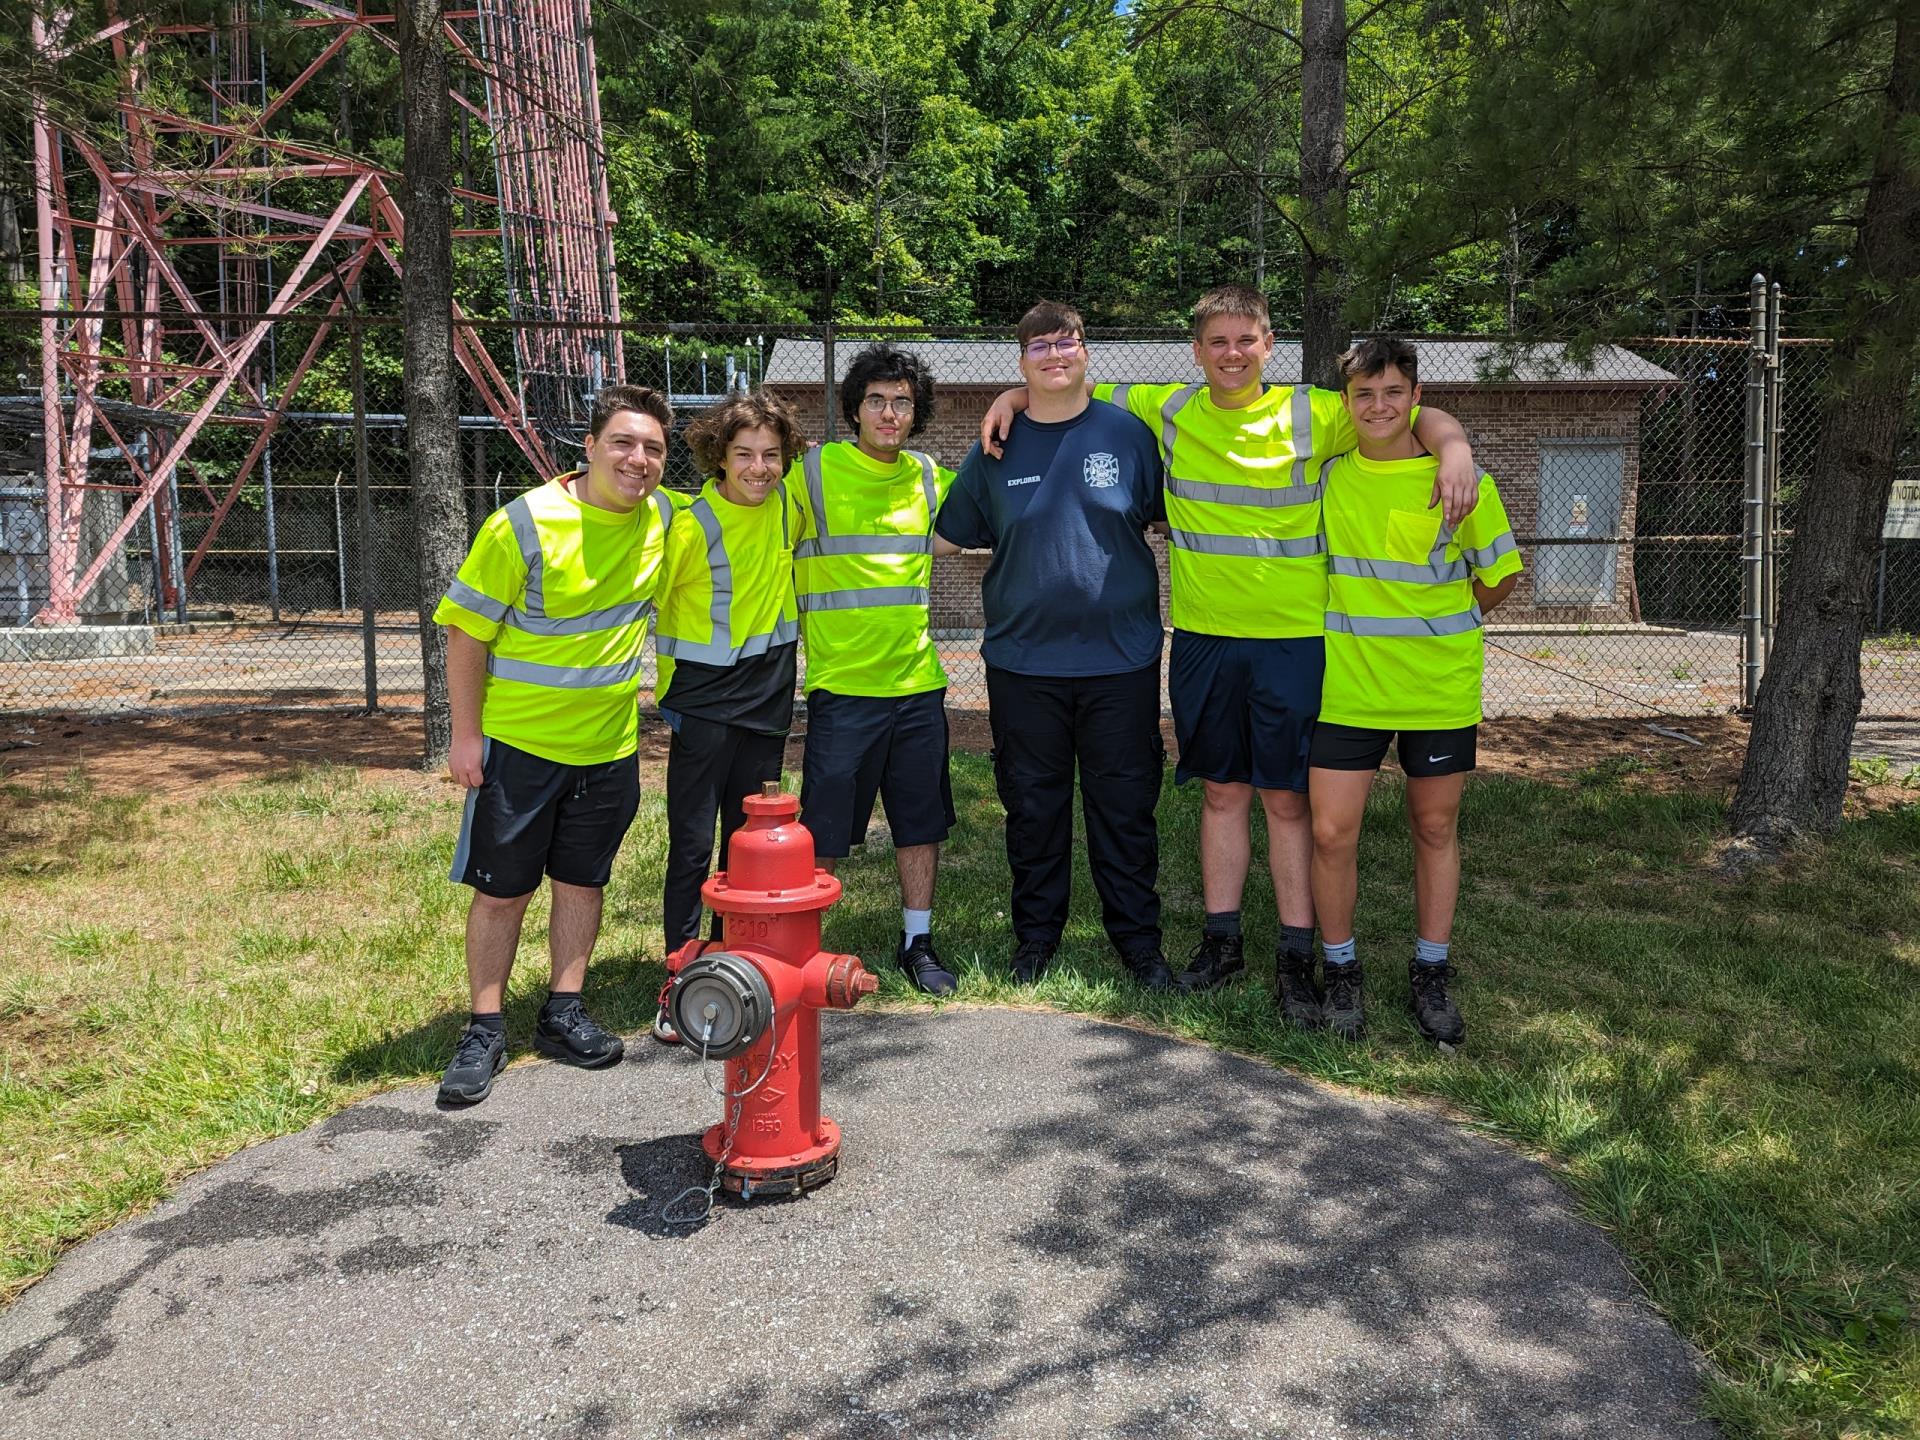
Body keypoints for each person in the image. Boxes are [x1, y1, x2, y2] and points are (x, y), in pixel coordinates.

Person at [981, 284, 1481, 1030]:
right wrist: (1013, 396)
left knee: (1286, 802)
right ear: (1196, 351)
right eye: (1217, 342)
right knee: (1222, 793)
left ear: (1270, 344)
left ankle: (1294, 956)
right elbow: (1068, 383)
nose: (1232, 354)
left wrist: (1456, 445)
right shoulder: (1172, 410)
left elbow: (1406, 411)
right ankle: (1221, 943)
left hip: (1295, 642)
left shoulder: (1315, 412)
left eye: (1246, 340)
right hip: (1205, 640)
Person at [432, 384, 680, 1105]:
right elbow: (466, 632)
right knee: (501, 891)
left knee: (583, 881)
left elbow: (750, 483)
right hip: (518, 747)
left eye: (654, 449)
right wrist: (466, 736)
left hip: (607, 749)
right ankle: (482, 1027)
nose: (639, 460)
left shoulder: (664, 515)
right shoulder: (525, 524)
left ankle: (562, 1011)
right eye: (624, 444)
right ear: (591, 447)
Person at [932, 301, 1172, 988]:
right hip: (1022, 661)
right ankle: (1035, 939)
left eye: (1067, 341)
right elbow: (948, 535)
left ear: (1087, 352)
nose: (1055, 353)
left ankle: (1139, 945)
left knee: (1124, 808)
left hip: (1120, 658)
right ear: (1022, 362)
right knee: (1033, 809)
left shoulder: (1129, 436)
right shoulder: (995, 448)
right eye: (1040, 345)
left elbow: (1157, 520)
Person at [1308, 336, 1522, 1043]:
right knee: (1333, 833)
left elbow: (1500, 578)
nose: (1378, 405)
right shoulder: (1327, 479)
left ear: (1416, 398)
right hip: (1346, 690)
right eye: (1364, 393)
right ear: (1347, 403)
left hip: (1437, 688)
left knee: (1434, 828)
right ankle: (1340, 969)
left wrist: (1437, 626)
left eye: (1393, 392)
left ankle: (1431, 971)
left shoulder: (1463, 482)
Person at [790, 344, 959, 993]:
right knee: (823, 828)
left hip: (917, 685)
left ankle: (918, 941)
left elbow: (984, 523)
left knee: (920, 824)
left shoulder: (926, 476)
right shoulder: (813, 472)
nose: (890, 413)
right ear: (855, 409)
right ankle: (804, 945)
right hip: (842, 688)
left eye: (902, 402)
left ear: (916, 413)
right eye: (877, 401)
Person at [656, 389, 805, 960]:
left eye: (771, 454)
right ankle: (681, 967)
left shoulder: (789, 506)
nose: (759, 468)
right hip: (704, 702)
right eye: (744, 454)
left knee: (745, 842)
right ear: (720, 454)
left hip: (768, 697)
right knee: (692, 844)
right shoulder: (690, 526)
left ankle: (732, 955)